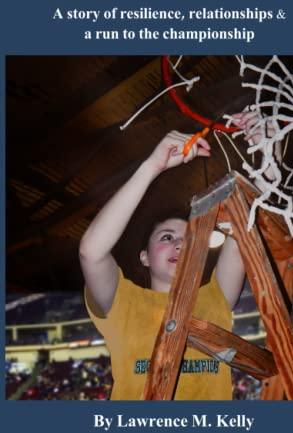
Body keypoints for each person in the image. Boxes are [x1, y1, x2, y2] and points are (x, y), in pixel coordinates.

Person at [79, 111, 264, 400]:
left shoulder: (215, 296)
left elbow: (246, 220)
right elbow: (91, 252)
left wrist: (265, 158)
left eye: (189, 239)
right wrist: (152, 166)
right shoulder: (122, 303)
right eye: (167, 237)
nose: (180, 245)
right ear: (145, 257)